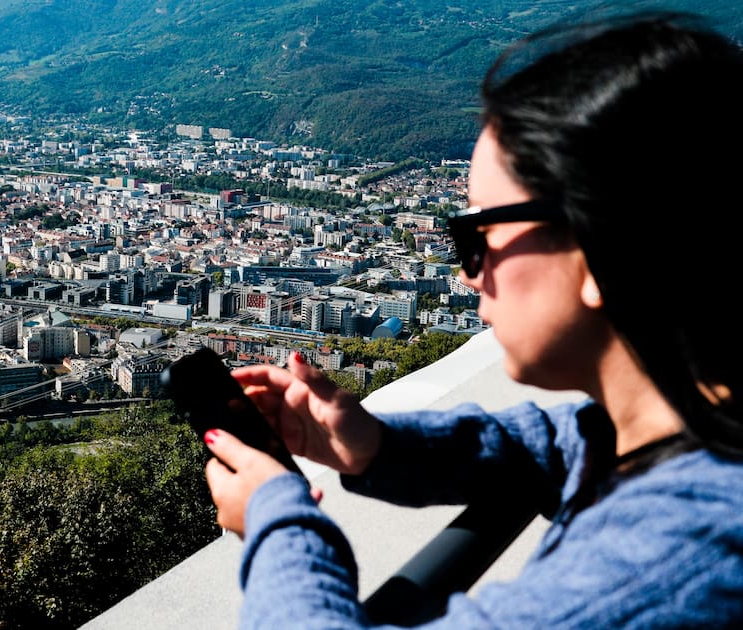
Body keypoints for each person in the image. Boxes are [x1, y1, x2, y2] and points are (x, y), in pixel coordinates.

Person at [201, 11, 743, 628]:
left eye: (478, 232)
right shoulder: (691, 422)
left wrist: (278, 518)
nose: (466, 270)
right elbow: (567, 443)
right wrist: (375, 445)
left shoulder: (672, 565)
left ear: (600, 250)